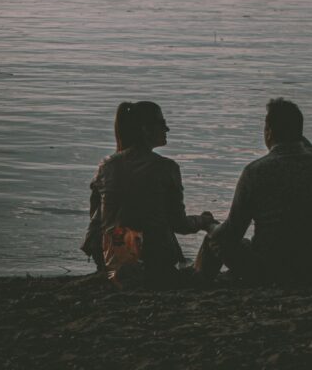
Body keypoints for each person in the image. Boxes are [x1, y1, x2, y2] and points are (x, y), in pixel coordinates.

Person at [195, 98, 312, 286]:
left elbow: (232, 232)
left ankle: (196, 282)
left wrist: (209, 226)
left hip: (273, 271)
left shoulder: (256, 171)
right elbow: (308, 147)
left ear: (268, 132)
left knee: (216, 239)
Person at [83, 100, 215, 284]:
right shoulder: (167, 168)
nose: (167, 129)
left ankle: (118, 270)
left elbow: (96, 216)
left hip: (111, 255)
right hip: (155, 260)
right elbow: (179, 224)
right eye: (162, 124)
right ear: (145, 130)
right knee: (213, 241)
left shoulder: (106, 166)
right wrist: (203, 221)